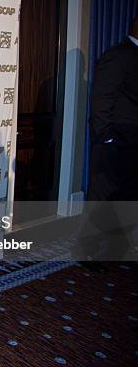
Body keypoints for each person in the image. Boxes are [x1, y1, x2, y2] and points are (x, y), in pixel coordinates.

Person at [77, 15, 138, 271]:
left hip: (133, 144)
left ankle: (118, 249)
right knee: (101, 199)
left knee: (127, 198)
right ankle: (87, 252)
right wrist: (108, 137)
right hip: (115, 145)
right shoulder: (119, 54)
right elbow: (101, 98)